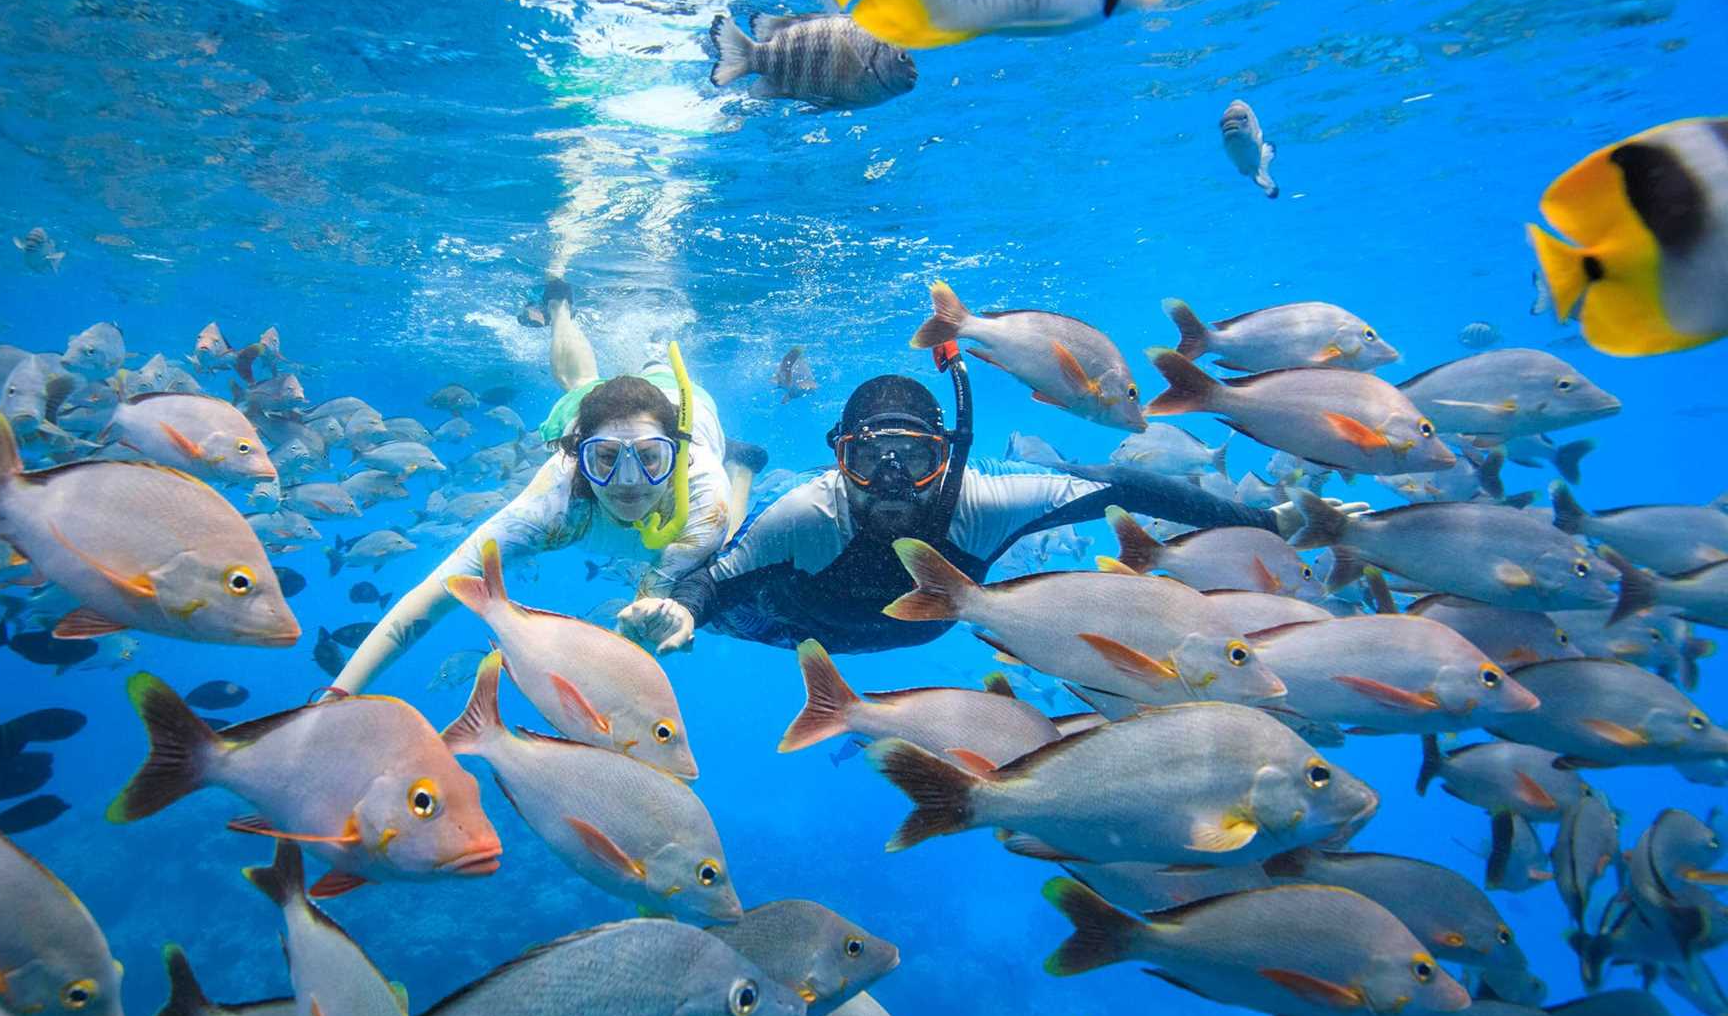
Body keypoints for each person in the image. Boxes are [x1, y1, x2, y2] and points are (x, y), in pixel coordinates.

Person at [620, 353, 1363, 656]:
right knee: (677, 563)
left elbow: (1127, 483)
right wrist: (684, 608)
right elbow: (715, 584)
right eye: (866, 461)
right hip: (789, 621)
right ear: (839, 459)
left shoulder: (986, 499)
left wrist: (1275, 522)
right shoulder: (811, 514)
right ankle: (736, 473)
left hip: (901, 628)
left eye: (914, 460)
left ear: (949, 458)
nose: (887, 483)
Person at [331, 280, 760, 695]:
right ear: (578, 454)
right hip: (604, 414)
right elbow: (436, 593)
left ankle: (739, 466)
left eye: (650, 459)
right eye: (606, 458)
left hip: (694, 410)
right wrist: (338, 695)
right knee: (580, 386)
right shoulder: (556, 496)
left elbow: (645, 617)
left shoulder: (703, 495)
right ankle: (559, 307)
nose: (628, 483)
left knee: (727, 548)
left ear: (677, 456)